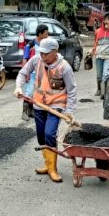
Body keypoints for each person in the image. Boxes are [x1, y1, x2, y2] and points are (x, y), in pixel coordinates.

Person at [14, 38, 77, 182]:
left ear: (55, 52)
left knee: (49, 134)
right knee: (41, 136)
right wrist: (19, 86)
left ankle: (53, 169)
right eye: (41, 53)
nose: (43, 56)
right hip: (38, 103)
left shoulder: (64, 67)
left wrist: (70, 110)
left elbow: (72, 90)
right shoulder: (36, 60)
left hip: (56, 105)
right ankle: (47, 164)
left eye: (46, 54)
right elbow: (23, 73)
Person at [20, 24, 49, 121]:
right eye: (46, 33)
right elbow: (25, 58)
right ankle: (24, 113)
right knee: (28, 92)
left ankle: (31, 111)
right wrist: (26, 73)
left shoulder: (46, 44)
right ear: (40, 34)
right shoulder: (31, 44)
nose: (47, 35)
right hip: (32, 72)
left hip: (42, 73)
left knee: (37, 92)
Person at [89, 19, 109, 99]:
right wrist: (92, 51)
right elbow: (96, 43)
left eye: (107, 23)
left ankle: (104, 92)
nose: (106, 25)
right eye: (105, 23)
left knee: (105, 75)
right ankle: (99, 89)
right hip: (99, 55)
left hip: (108, 56)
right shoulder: (98, 31)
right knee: (99, 76)